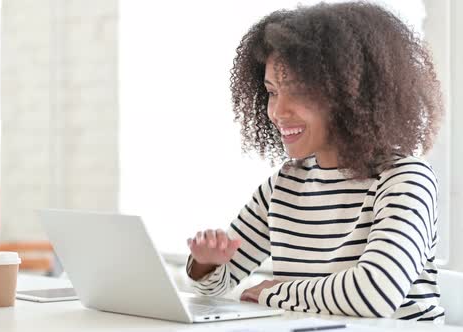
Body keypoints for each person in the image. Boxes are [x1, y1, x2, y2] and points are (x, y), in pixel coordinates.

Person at [186, 1, 444, 322]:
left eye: (298, 91)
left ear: (351, 95)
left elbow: (375, 293)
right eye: (272, 91)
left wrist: (274, 292)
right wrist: (206, 262)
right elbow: (216, 285)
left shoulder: (404, 178)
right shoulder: (284, 185)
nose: (278, 112)